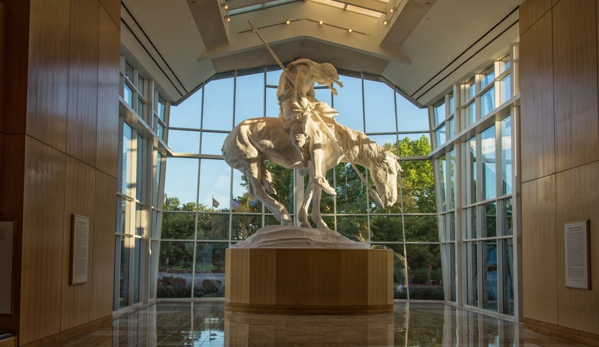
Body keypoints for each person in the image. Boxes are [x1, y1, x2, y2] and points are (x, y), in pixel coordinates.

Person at [277, 58, 343, 196]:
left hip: (303, 106)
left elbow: (310, 96)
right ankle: (318, 175)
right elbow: (300, 94)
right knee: (316, 132)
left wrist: (318, 107)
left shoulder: (312, 76)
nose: (324, 83)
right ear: (324, 74)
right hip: (291, 105)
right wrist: (309, 109)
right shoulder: (304, 69)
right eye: (327, 81)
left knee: (326, 125)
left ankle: (305, 159)